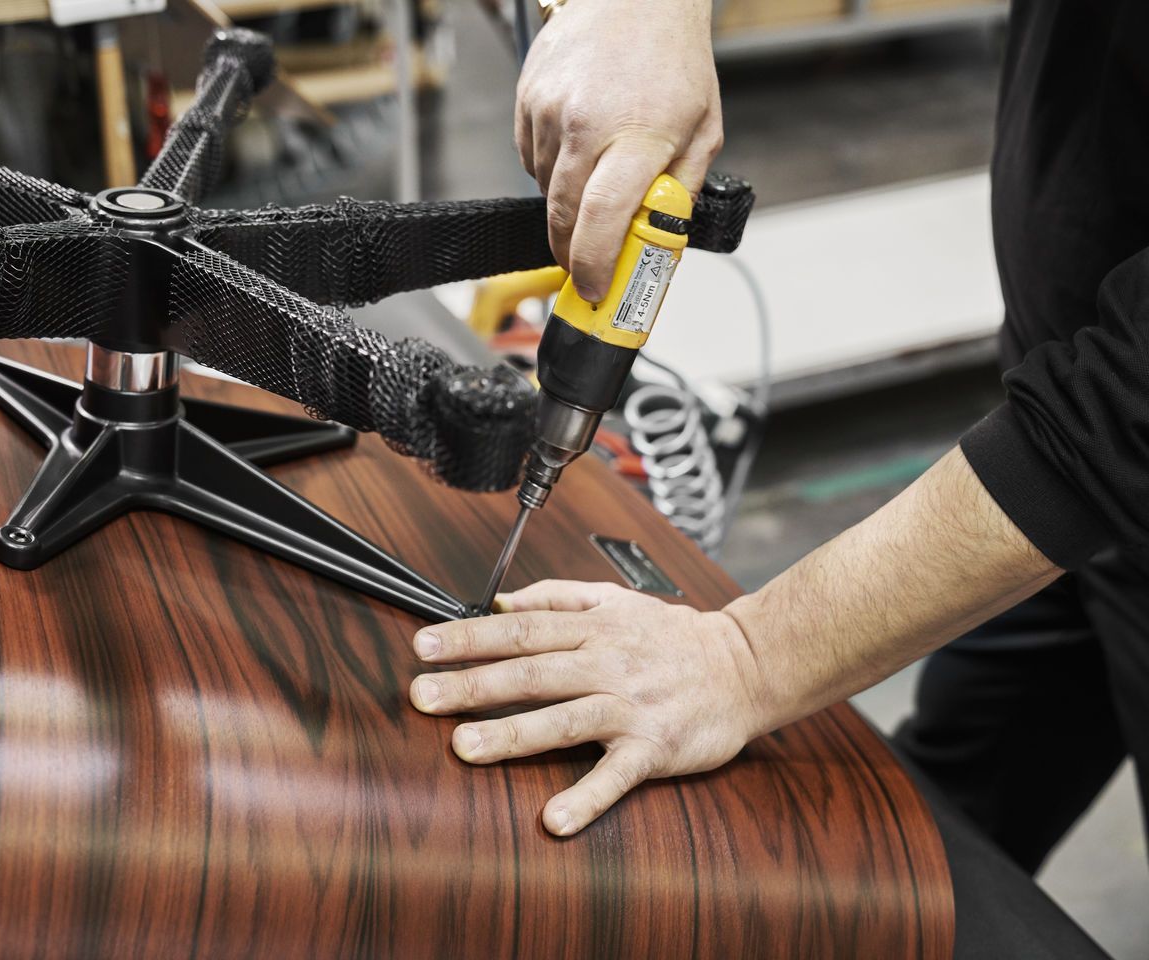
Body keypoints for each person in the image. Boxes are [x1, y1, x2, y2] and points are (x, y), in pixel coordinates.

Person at [409, 0, 1149, 862]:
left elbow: (1127, 406)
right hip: (1051, 464)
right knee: (923, 845)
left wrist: (748, 658)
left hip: (1098, 447)